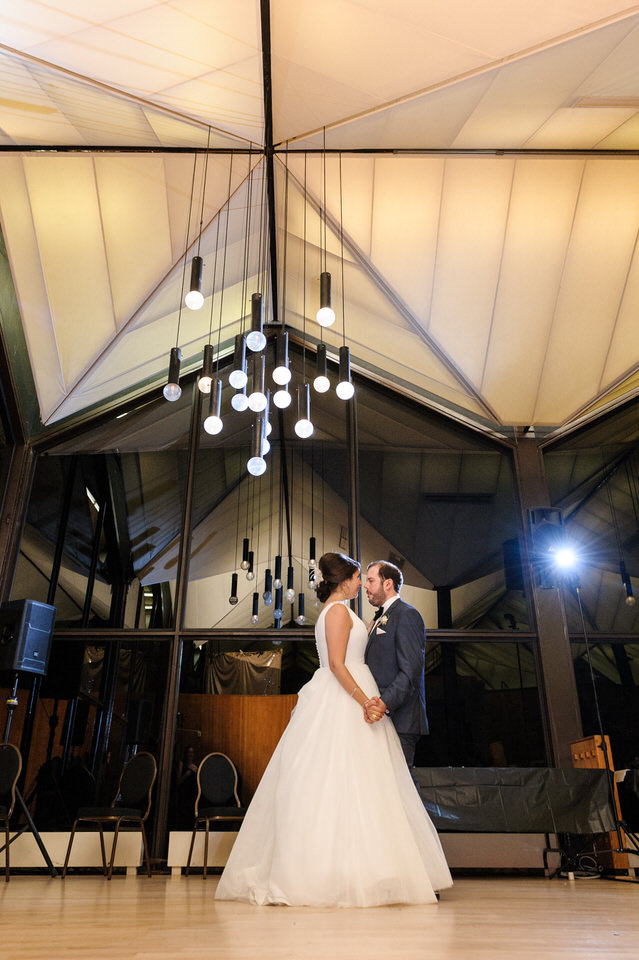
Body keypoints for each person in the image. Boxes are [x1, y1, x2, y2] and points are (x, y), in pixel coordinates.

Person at [215, 552, 452, 907]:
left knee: (366, 788)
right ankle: (342, 871)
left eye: (367, 579)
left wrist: (374, 700)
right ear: (344, 580)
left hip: (363, 702)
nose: (362, 583)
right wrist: (364, 700)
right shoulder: (339, 612)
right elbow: (339, 665)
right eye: (359, 577)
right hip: (348, 700)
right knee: (348, 786)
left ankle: (373, 869)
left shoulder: (356, 611)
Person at [364, 561, 429, 770]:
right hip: (384, 718)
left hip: (402, 719)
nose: (365, 586)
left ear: (388, 583)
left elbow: (411, 671)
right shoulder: (381, 618)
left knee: (403, 786)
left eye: (371, 580)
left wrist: (384, 703)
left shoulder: (407, 615)